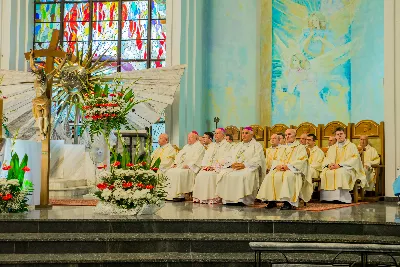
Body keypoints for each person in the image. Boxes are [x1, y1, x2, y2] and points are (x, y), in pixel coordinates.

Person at [257, 128, 311, 210]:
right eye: (286, 135)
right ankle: (271, 201)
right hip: (281, 169)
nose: (287, 136)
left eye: (289, 134)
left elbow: (302, 160)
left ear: (295, 136)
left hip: (293, 170)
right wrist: (278, 165)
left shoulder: (300, 148)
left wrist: (288, 166)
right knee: (270, 175)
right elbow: (277, 159)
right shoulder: (282, 148)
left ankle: (288, 202)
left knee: (288, 176)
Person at [215, 127, 266, 206]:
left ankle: (242, 199)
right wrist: (232, 164)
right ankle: (228, 199)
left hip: (249, 168)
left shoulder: (257, 145)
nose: (244, 135)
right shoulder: (238, 145)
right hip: (235, 167)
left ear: (252, 135)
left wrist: (244, 165)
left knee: (242, 175)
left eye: (246, 133)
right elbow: (229, 156)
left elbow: (258, 159)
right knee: (224, 174)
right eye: (242, 133)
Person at [320, 127, 367, 203]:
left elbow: (355, 159)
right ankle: (327, 198)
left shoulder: (352, 146)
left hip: (347, 168)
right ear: (335, 136)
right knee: (325, 173)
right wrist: (329, 165)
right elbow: (327, 158)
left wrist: (340, 165)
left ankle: (341, 198)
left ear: (345, 135)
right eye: (337, 134)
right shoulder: (332, 148)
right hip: (334, 167)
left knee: (340, 172)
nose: (339, 136)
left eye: (341, 134)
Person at [193, 128, 231, 204]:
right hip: (209, 168)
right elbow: (206, 157)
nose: (215, 135)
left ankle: (213, 198)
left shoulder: (227, 145)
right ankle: (201, 198)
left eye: (218, 133)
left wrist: (213, 167)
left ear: (223, 135)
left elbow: (226, 159)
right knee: (200, 174)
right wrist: (206, 166)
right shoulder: (212, 145)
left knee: (209, 176)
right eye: (215, 133)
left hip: (218, 168)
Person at [164, 131, 205, 201]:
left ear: (196, 138)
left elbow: (198, 159)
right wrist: (175, 163)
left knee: (179, 173)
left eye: (191, 137)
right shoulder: (186, 146)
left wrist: (189, 165)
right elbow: (178, 156)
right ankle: (168, 195)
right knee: (169, 171)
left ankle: (179, 195)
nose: (189, 139)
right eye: (188, 137)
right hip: (181, 166)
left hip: (190, 169)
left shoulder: (200, 147)